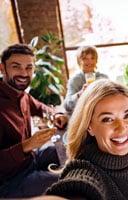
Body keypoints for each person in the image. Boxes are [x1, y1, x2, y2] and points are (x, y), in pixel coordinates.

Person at [0, 43, 68, 198]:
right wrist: (26, 146)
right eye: (16, 67)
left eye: (29, 67)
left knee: (68, 149)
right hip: (10, 180)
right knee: (70, 179)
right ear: (2, 68)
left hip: (31, 158)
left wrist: (57, 115)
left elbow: (42, 108)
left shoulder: (22, 94)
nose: (24, 73)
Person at [63, 45, 108, 114]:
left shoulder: (103, 78)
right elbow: (67, 106)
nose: (89, 62)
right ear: (79, 61)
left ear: (96, 60)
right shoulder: (75, 80)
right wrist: (79, 94)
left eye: (92, 58)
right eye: (85, 59)